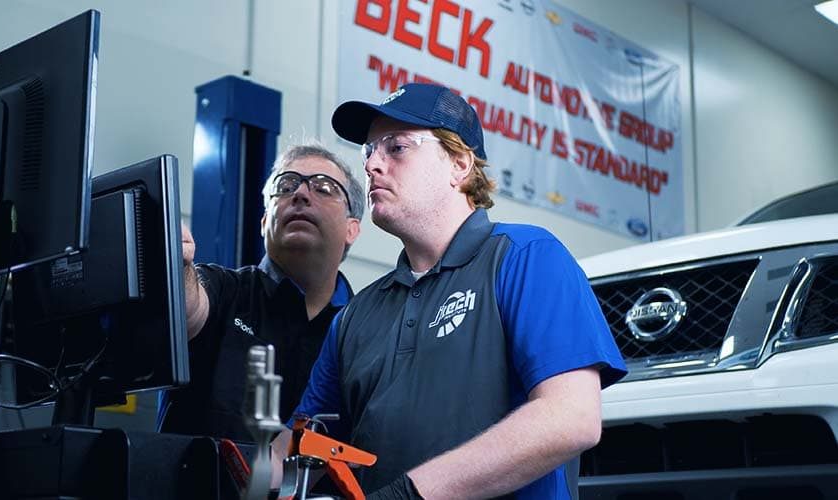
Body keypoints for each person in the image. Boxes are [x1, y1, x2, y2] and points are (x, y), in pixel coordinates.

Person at [275, 84, 627, 499]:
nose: (372, 165)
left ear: (459, 164)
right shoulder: (355, 317)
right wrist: (216, 464)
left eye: (396, 148)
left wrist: (410, 494)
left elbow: (570, 417)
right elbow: (301, 451)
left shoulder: (525, 258)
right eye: (369, 150)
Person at [158, 142, 365, 442]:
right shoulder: (225, 291)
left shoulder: (367, 330)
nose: (301, 194)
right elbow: (188, 308)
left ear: (352, 229)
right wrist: (176, 264)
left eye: (323, 187)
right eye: (286, 185)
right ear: (265, 222)